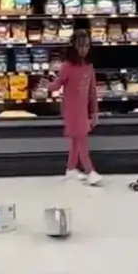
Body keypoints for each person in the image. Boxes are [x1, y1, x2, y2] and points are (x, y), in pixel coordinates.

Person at [50, 29, 102, 185]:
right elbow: (56, 85)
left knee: (75, 140)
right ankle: (90, 171)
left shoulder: (89, 67)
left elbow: (92, 92)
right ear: (73, 47)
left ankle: (71, 169)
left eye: (87, 46)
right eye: (81, 46)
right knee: (81, 140)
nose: (84, 49)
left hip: (83, 110)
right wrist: (48, 85)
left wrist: (94, 113)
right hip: (71, 110)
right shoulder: (67, 66)